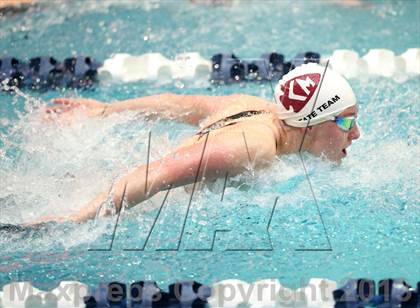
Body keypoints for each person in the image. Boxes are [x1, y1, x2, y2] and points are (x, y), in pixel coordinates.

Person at [35, 63, 360, 224]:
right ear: (310, 120)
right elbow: (156, 174)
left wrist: (105, 111)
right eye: (346, 120)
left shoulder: (253, 106)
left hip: (104, 180)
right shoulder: (253, 147)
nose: (355, 133)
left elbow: (175, 103)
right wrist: (76, 220)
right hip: (130, 201)